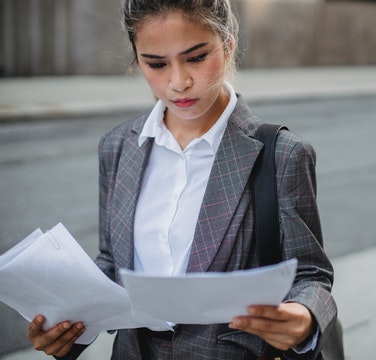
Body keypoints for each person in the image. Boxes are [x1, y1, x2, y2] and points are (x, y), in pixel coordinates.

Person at [27, 0, 337, 359]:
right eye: (155, 63)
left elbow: (312, 274)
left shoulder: (282, 153)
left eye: (196, 57)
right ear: (136, 58)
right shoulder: (117, 146)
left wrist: (303, 317)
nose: (178, 82)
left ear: (229, 42)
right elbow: (112, 260)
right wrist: (69, 327)